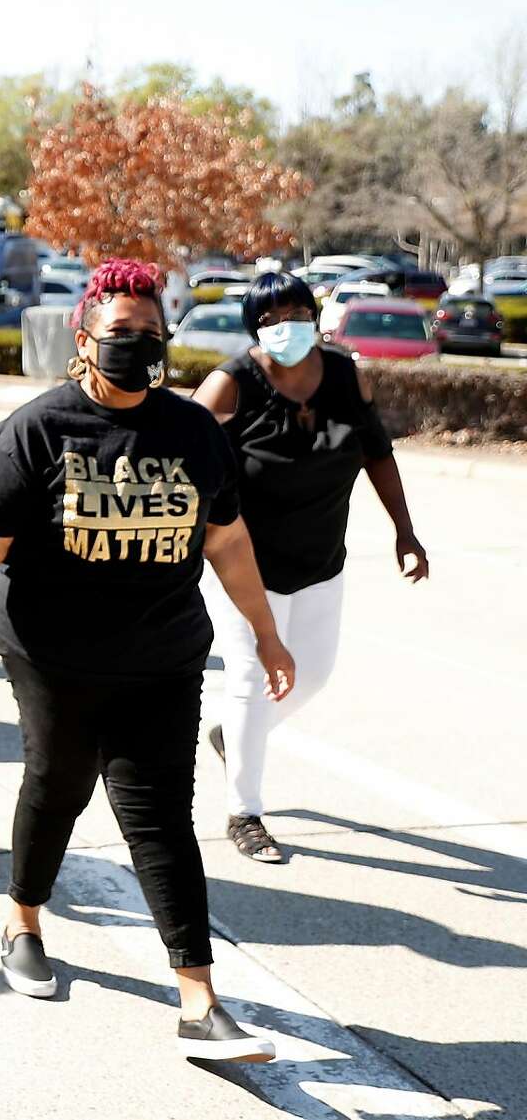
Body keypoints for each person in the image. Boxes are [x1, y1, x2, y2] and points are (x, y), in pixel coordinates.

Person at [0, 259, 293, 1063]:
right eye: (120, 334)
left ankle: (200, 1002)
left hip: (164, 659)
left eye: (150, 334)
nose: (137, 347)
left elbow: (229, 542)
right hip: (53, 657)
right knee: (58, 785)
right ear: (83, 337)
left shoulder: (193, 431)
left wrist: (267, 633)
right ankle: (22, 919)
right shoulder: (37, 430)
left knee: (163, 819)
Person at [192, 271, 428, 863]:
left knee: (312, 675)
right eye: (269, 318)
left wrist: (405, 529)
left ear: (314, 317)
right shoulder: (231, 384)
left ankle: (236, 737)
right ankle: (245, 813)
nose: (284, 326)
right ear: (254, 327)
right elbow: (184, 457)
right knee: (251, 678)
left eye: (295, 312)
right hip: (243, 562)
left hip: (321, 559)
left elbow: (377, 453)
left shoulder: (346, 376)